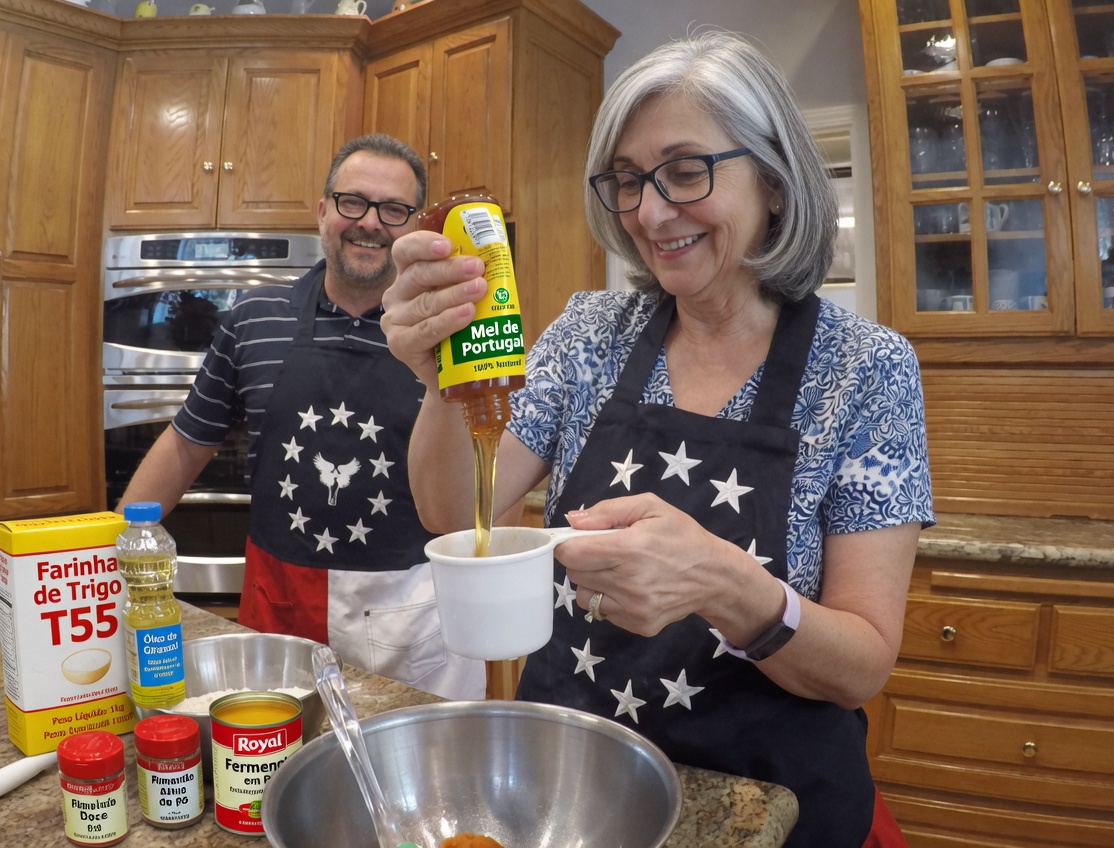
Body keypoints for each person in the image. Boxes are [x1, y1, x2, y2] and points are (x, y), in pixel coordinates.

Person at [381, 32, 934, 846]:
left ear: (774, 183)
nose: (648, 211)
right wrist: (439, 380)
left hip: (766, 806)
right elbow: (446, 508)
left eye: (685, 171)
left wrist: (724, 584)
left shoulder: (867, 370)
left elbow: (862, 662)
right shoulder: (590, 333)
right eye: (629, 181)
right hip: (576, 792)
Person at [117, 133, 486, 701]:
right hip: (279, 603)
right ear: (323, 211)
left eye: (394, 210)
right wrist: (112, 550)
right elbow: (187, 443)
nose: (370, 222)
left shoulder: (454, 333)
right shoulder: (251, 319)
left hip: (411, 617)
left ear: (416, 228)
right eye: (352, 202)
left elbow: (485, 479)